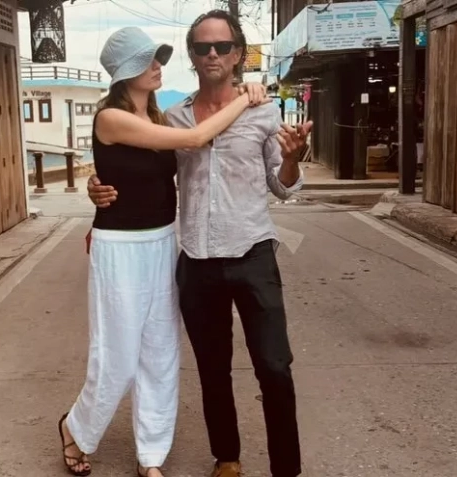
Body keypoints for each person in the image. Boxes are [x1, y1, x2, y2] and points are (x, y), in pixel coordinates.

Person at [87, 10, 312, 477]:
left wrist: (293, 160)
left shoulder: (264, 111)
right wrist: (98, 185)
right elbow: (143, 170)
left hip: (252, 253)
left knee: (274, 366)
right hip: (196, 260)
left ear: (238, 54)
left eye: (222, 46)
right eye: (202, 47)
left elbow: (282, 185)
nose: (213, 54)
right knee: (212, 368)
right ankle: (227, 458)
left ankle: (286, 469)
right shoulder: (174, 117)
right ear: (191, 55)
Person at [57, 26, 271, 477]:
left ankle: (151, 455)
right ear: (125, 72)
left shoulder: (158, 117)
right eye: (147, 61)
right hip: (120, 247)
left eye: (158, 58)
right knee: (117, 354)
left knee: (160, 352)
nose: (158, 66)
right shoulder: (110, 117)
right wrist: (243, 97)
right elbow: (195, 140)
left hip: (162, 240)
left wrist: (96, 184)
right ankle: (76, 428)